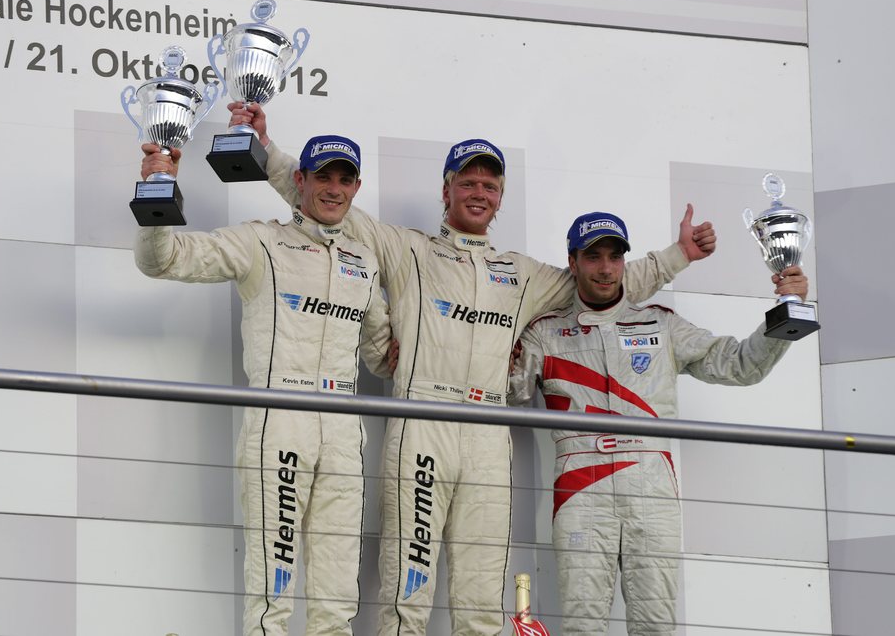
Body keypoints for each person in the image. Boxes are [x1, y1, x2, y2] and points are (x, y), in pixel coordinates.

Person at [226, 102, 716, 635]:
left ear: (500, 197)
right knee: (405, 595)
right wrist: (266, 150)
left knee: (482, 602)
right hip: (423, 425)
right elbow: (331, 204)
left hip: (487, 432)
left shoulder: (521, 274)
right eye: (468, 183)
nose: (479, 193)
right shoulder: (408, 250)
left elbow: (603, 282)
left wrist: (677, 255)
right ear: (447, 190)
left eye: (490, 185)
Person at [135, 135, 393, 635]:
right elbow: (160, 260)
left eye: (344, 179)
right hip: (280, 419)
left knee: (337, 593)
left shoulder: (365, 261)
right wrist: (157, 188)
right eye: (323, 176)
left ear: (356, 187)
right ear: (300, 180)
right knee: (272, 588)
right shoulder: (261, 242)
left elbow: (383, 357)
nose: (334, 189)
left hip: (344, 429)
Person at [508, 211, 807, 635]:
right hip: (580, 486)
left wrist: (786, 312)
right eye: (593, 257)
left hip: (651, 485)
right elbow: (512, 394)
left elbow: (739, 365)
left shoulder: (661, 323)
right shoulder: (544, 332)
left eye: (615, 257)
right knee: (581, 625)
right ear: (572, 262)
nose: (606, 268)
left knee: (656, 625)